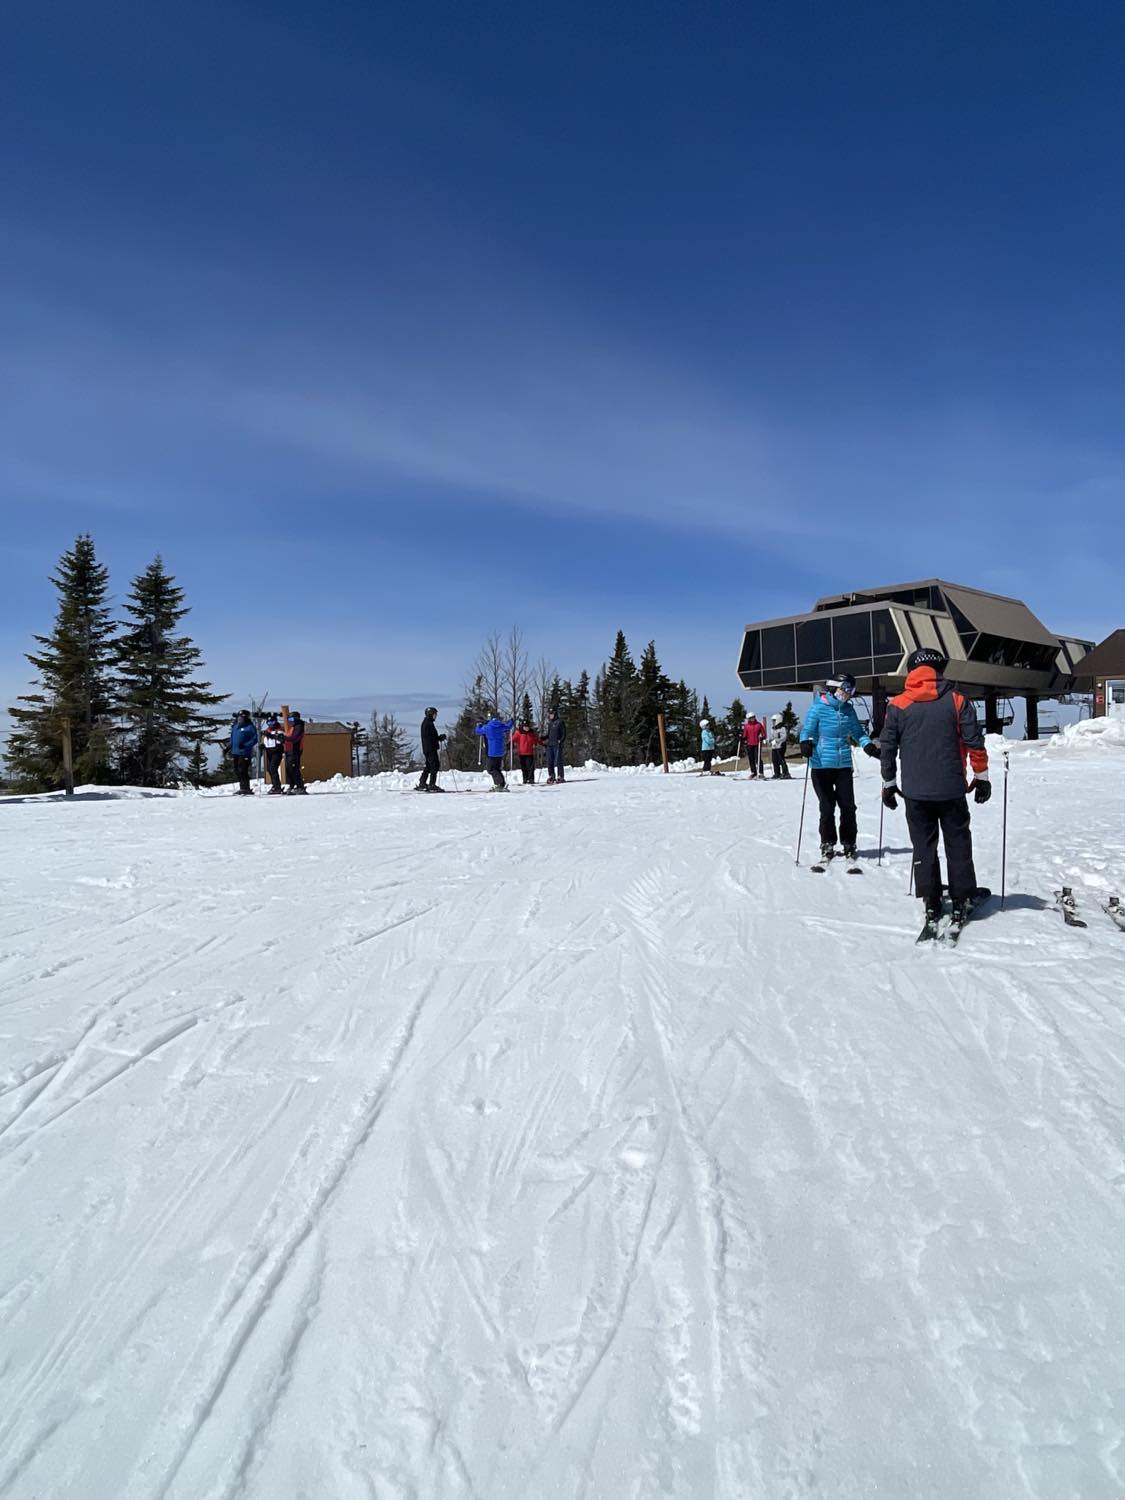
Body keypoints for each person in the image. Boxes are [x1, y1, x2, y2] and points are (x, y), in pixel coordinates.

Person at [879, 646, 991, 927]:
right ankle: (962, 898)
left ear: (911, 671)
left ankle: (931, 900)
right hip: (951, 788)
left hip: (915, 792)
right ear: (940, 670)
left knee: (923, 845)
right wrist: (982, 777)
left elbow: (888, 748)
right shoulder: (957, 700)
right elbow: (975, 742)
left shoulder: (897, 705)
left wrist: (889, 784)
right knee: (958, 842)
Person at [799, 673, 879, 860]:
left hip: (843, 765)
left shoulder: (848, 710)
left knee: (848, 806)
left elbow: (858, 733)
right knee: (827, 806)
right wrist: (805, 742)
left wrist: (868, 745)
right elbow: (807, 730)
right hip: (821, 765)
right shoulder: (818, 708)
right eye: (846, 689)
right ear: (834, 688)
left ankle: (849, 842)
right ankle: (827, 842)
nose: (848, 694)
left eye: (851, 690)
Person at [475, 712, 514, 790]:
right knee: (497, 768)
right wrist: (511, 721)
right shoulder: (501, 726)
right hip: (500, 751)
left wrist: (478, 725)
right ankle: (501, 784)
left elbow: (478, 731)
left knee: (491, 769)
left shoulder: (487, 727)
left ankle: (498, 783)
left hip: (492, 752)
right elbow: (509, 726)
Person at [417, 707, 447, 792]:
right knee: (435, 765)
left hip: (428, 748)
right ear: (430, 714)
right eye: (435, 714)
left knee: (429, 766)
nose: (436, 716)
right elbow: (430, 738)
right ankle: (432, 785)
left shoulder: (427, 723)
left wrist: (439, 738)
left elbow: (431, 737)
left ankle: (422, 783)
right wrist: (439, 738)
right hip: (430, 748)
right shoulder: (428, 724)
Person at [230, 710, 258, 796]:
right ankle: (242, 786)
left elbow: (255, 739)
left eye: (241, 718)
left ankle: (246, 788)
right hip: (235, 752)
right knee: (237, 770)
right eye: (238, 717)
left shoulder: (250, 727)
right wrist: (229, 747)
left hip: (244, 752)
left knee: (243, 770)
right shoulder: (235, 727)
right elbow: (232, 738)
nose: (239, 719)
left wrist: (246, 745)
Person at [284, 711, 307, 794]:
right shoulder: (293, 727)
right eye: (289, 719)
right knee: (289, 769)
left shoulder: (299, 727)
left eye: (291, 719)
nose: (290, 721)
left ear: (296, 719)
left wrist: (285, 738)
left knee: (294, 768)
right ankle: (292, 785)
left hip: (295, 750)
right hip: (290, 750)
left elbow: (294, 738)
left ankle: (300, 786)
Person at [261, 713, 284, 795]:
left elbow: (281, 740)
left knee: (273, 768)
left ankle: (277, 787)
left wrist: (271, 736)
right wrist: (263, 745)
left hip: (276, 751)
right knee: (270, 769)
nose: (270, 724)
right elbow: (267, 741)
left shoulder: (279, 729)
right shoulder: (268, 730)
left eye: (272, 722)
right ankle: (275, 785)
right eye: (268, 723)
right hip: (269, 751)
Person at [544, 709, 567, 784]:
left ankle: (560, 776)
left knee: (558, 761)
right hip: (550, 744)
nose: (550, 715)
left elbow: (564, 733)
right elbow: (548, 734)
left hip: (557, 744)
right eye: (549, 714)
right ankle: (551, 775)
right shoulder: (550, 723)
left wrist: (561, 740)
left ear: (555, 714)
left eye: (552, 714)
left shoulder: (560, 722)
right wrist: (543, 738)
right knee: (550, 761)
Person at [742, 713, 767, 778]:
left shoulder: (758, 725)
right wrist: (742, 738)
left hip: (757, 744)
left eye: (753, 717)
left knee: (758, 758)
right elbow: (745, 735)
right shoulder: (746, 726)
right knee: (751, 759)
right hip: (749, 744)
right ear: (748, 719)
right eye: (751, 718)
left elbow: (764, 734)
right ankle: (753, 772)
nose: (752, 719)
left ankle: (761, 773)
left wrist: (763, 737)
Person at [768, 713, 792, 779]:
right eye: (772, 721)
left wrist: (777, 740)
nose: (773, 722)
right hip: (774, 746)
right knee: (774, 760)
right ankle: (777, 773)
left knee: (781, 759)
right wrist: (769, 740)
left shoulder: (782, 728)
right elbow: (771, 737)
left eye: (774, 720)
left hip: (781, 745)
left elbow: (784, 737)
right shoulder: (773, 729)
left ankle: (785, 773)